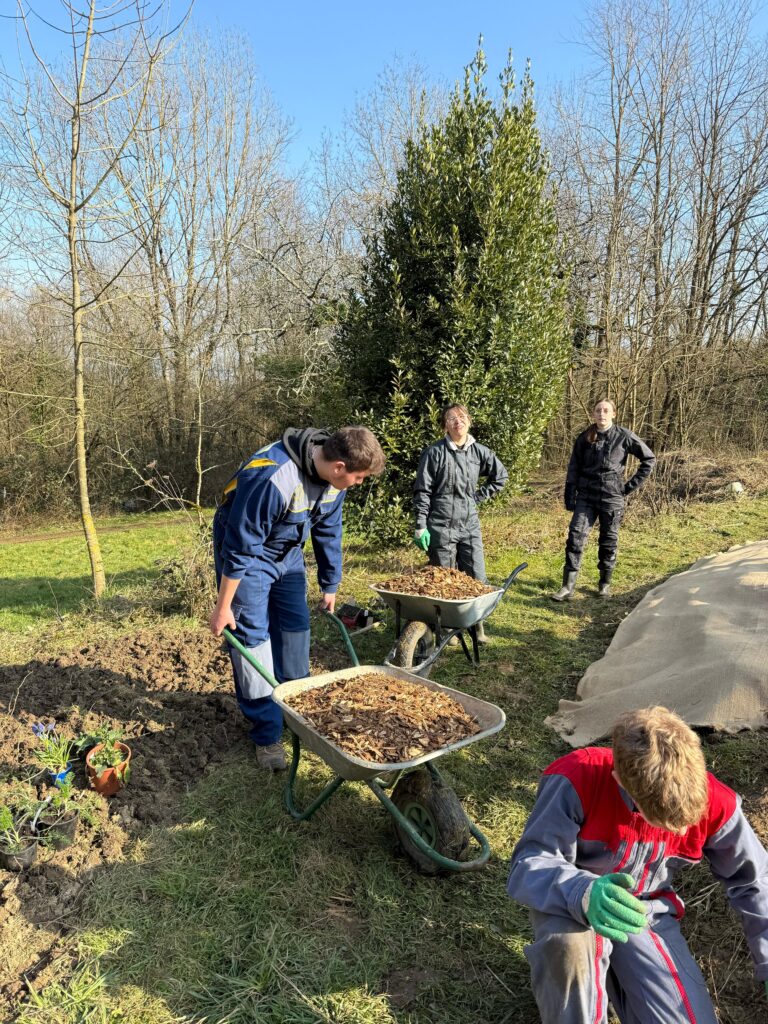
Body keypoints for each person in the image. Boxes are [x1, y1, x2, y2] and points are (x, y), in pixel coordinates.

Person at [506, 706, 768, 1024]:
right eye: (662, 822)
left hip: (647, 913)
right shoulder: (576, 776)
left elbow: (756, 881)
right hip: (573, 905)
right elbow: (528, 864)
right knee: (569, 951)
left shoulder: (717, 802)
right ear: (620, 779)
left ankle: (620, 985)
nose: (683, 832)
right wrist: (584, 893)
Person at [209, 426, 385, 769]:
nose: (359, 483)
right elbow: (242, 547)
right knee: (253, 641)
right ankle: (267, 734)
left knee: (295, 628)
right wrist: (223, 606)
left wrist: (330, 585)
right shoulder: (273, 476)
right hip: (248, 556)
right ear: (338, 467)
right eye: (359, 477)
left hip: (287, 555)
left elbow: (328, 530)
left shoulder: (335, 482)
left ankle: (296, 708)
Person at [413, 403, 508, 642]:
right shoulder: (434, 453)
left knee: (477, 576)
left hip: (469, 524)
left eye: (462, 417)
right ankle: (445, 628)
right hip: (441, 524)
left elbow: (501, 476)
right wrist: (421, 525)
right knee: (444, 578)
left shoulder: (479, 452)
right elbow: (422, 491)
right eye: (452, 418)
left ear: (469, 421)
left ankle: (477, 627)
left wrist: (478, 497)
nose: (458, 421)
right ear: (445, 424)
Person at [552, 399, 655, 601]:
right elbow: (574, 468)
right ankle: (567, 587)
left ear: (613, 414)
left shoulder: (624, 436)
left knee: (608, 541)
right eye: (598, 410)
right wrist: (569, 495)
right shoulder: (584, 438)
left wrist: (628, 487)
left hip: (612, 497)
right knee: (575, 537)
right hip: (586, 496)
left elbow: (649, 460)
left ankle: (604, 585)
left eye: (606, 410)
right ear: (593, 414)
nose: (602, 414)